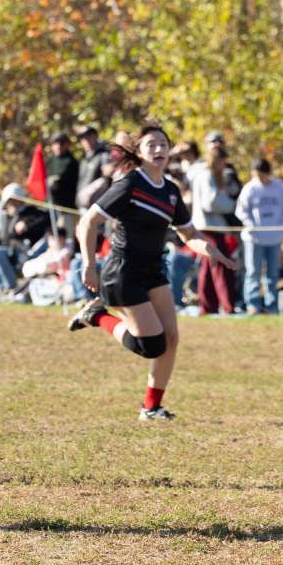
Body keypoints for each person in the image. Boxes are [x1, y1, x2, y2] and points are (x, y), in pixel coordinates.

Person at [68, 123, 235, 421]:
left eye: (163, 144)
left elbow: (188, 232)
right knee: (151, 346)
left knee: (171, 338)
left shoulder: (170, 191)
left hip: (154, 270)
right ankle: (97, 316)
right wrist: (90, 265)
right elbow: (88, 222)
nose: (159, 149)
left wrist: (211, 249)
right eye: (151, 145)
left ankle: (151, 408)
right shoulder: (130, 184)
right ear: (140, 152)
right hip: (123, 271)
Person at [236, 158, 283, 314]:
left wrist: (281, 228)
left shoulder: (279, 188)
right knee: (253, 271)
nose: (259, 179)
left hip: (274, 239)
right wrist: (251, 225)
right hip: (254, 239)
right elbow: (241, 211)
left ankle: (271, 305)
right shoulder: (250, 188)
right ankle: (252, 303)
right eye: (256, 175)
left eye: (261, 175)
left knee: (272, 273)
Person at [190, 145, 239, 315]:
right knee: (221, 264)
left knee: (208, 266)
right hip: (208, 227)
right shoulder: (205, 175)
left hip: (211, 227)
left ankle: (208, 306)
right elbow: (210, 202)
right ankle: (226, 305)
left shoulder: (209, 175)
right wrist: (233, 205)